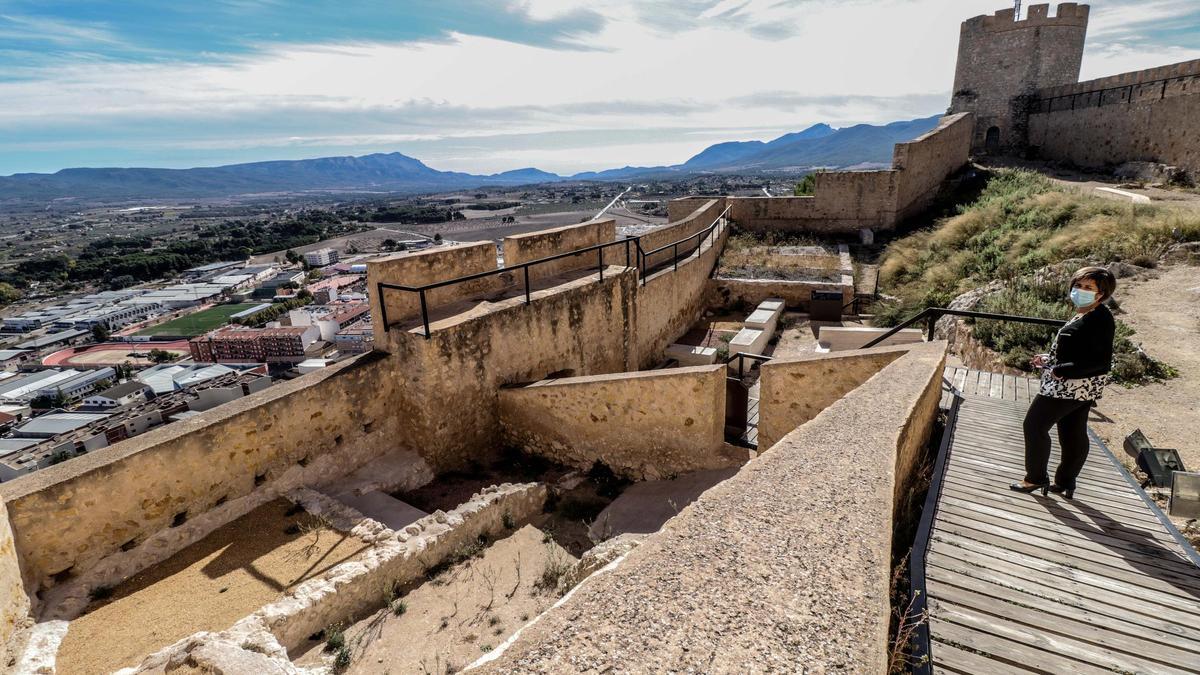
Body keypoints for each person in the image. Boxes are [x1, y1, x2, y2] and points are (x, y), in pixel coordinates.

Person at [1010, 266, 1117, 500]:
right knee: (1072, 433)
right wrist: (1049, 360)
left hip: (1067, 387)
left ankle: (1035, 478)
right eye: (1078, 285)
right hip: (1079, 387)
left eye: (1088, 287)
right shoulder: (1087, 312)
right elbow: (1077, 352)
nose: (1080, 290)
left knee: (1034, 426)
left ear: (1101, 293)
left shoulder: (1099, 319)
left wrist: (1061, 369)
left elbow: (1100, 361)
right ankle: (1065, 481)